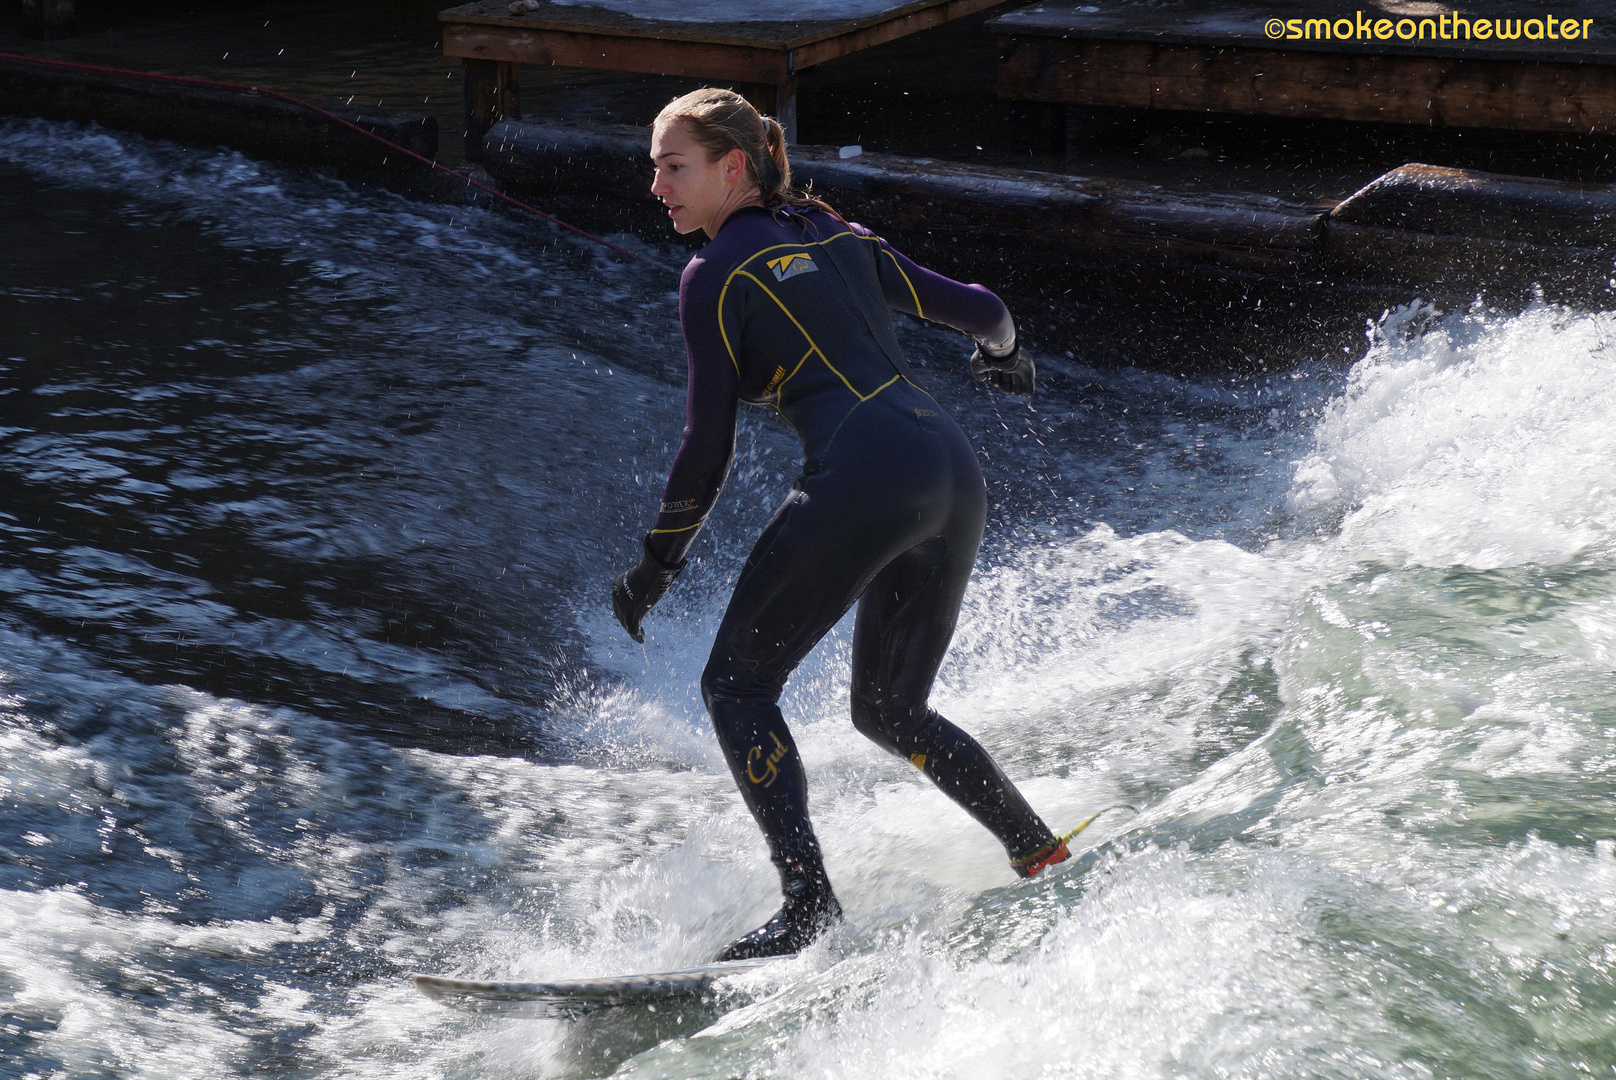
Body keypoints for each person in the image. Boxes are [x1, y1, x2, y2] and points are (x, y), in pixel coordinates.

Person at [611, 88, 1066, 962]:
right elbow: (986, 311)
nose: (658, 187)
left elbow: (707, 448)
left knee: (735, 688)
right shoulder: (841, 233)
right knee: (892, 709)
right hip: (950, 472)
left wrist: (654, 567)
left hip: (865, 475)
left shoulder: (712, 275)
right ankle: (1036, 847)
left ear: (731, 167)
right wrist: (1006, 359)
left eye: (675, 167)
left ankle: (808, 905)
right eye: (655, 168)